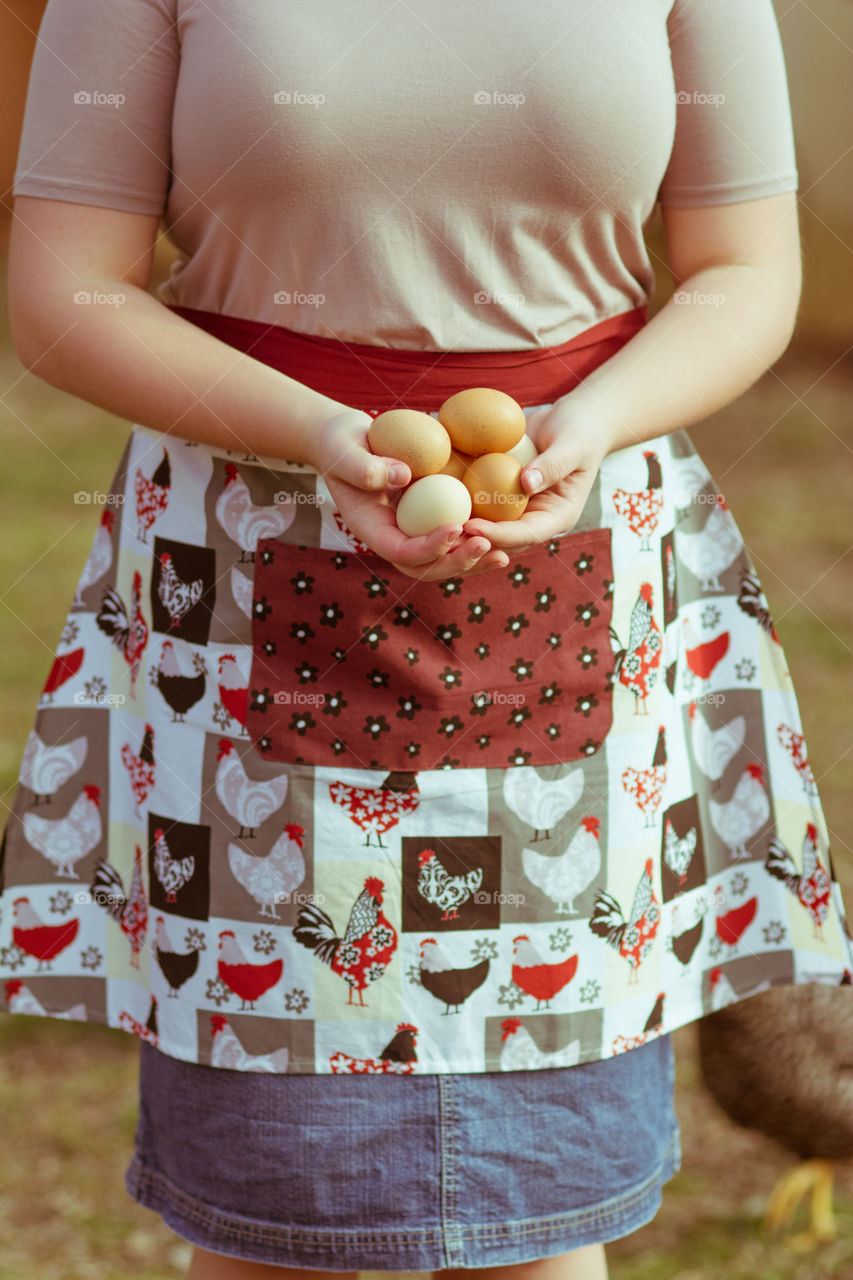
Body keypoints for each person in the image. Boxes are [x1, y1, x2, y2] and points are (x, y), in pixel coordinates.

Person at [3, 1, 852, 1277]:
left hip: (571, 526)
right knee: (273, 1200)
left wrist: (592, 421)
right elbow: (62, 286)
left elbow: (743, 267)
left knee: (549, 1203)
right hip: (240, 559)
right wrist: (317, 432)